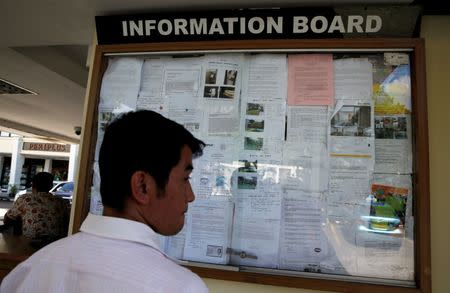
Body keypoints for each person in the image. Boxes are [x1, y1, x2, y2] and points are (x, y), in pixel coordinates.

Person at [0, 110, 208, 293]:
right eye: (185, 179)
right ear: (142, 186)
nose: (190, 195)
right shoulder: (180, 287)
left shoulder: (32, 269)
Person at [3, 172, 70, 242]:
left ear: (33, 185)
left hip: (29, 243)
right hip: (55, 244)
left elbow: (7, 220)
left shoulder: (25, 199)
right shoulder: (60, 201)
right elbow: (66, 222)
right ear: (51, 186)